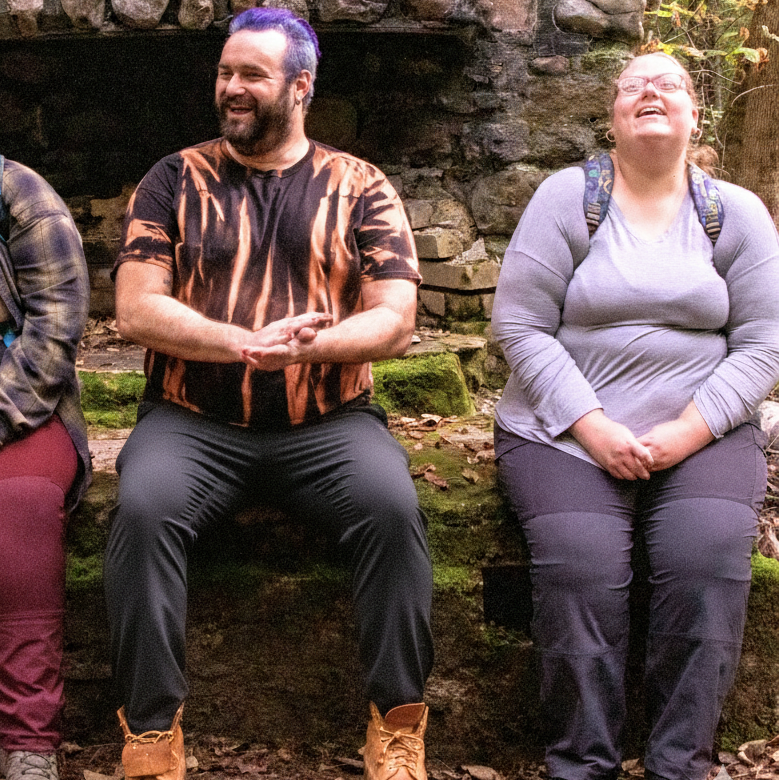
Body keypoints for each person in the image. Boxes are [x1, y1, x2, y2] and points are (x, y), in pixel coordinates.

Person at [103, 8, 432, 780]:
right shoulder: (172, 178)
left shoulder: (360, 186)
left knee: (393, 511)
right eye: (225, 73)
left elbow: (396, 320)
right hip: (193, 419)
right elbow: (134, 305)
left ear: (301, 87)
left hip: (329, 420)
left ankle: (398, 727)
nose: (232, 88)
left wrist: (308, 347)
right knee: (144, 513)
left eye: (252, 74)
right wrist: (240, 343)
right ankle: (152, 736)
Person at [492, 52, 779, 780]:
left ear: (693, 114)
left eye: (670, 84)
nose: (651, 92)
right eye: (634, 85)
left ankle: (680, 764)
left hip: (703, 435)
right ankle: (581, 763)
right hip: (563, 434)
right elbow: (519, 325)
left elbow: (765, 343)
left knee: (706, 562)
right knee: (582, 572)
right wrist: (592, 425)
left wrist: (690, 429)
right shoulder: (567, 199)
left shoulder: (734, 214)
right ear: (613, 115)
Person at [0, 156, 92, 780]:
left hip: (21, 405)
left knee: (23, 501)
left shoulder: (19, 194)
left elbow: (54, 335)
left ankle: (27, 739)